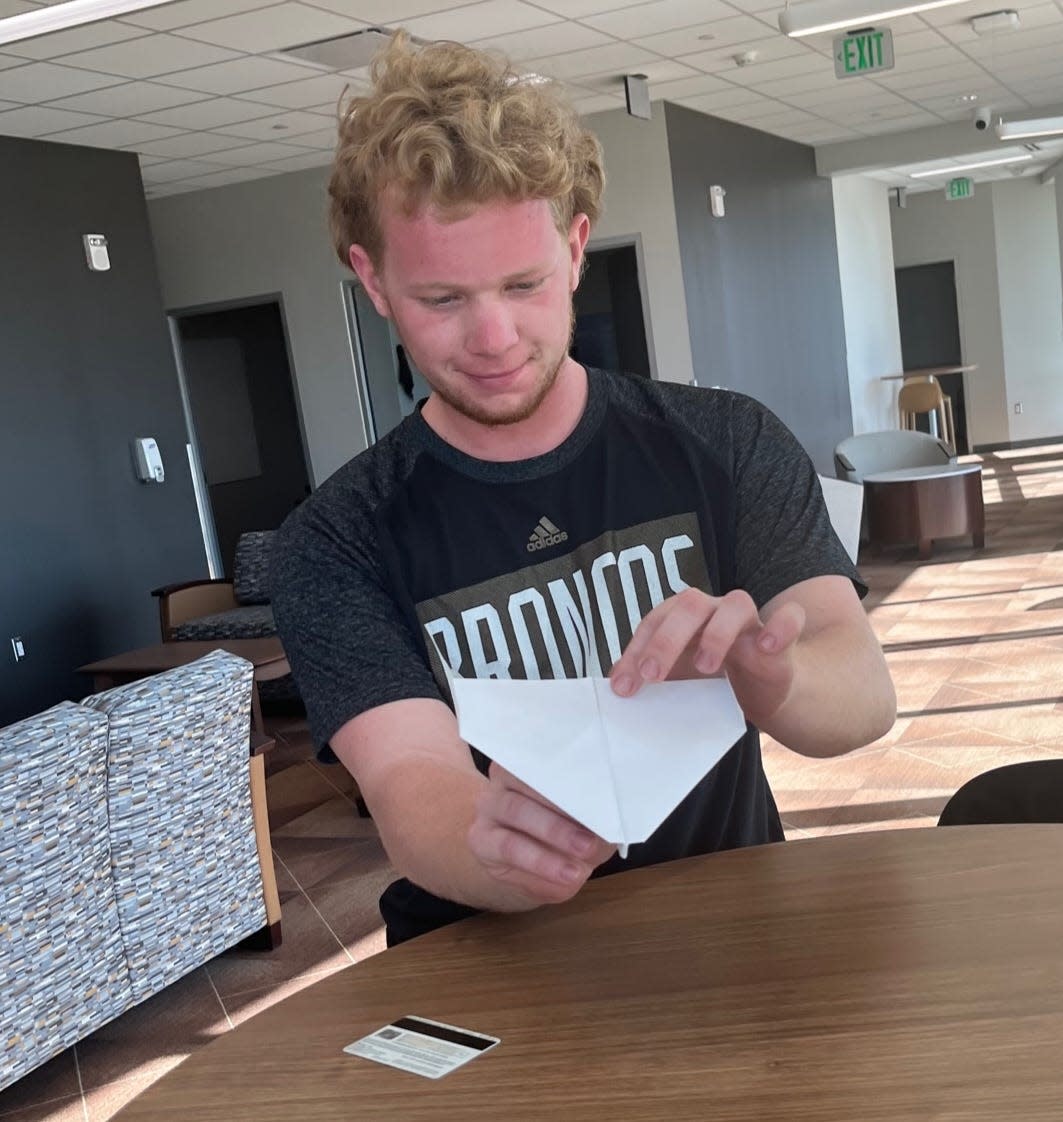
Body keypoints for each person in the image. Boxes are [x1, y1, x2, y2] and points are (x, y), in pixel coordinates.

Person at [270, 32, 897, 946]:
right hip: (489, 963)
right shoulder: (335, 541)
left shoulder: (723, 441)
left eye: (523, 284)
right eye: (442, 300)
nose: (492, 337)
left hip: (731, 928)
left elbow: (861, 700)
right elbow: (412, 783)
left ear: (573, 251)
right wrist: (495, 849)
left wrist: (775, 676)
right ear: (373, 281)